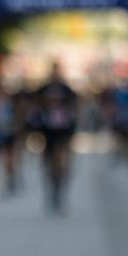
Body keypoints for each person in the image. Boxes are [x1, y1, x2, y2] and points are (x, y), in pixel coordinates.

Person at [31, 62, 79, 213]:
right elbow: (35, 107)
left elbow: (76, 107)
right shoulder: (43, 89)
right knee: (50, 163)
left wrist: (73, 124)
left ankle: (60, 189)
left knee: (62, 161)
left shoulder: (67, 89)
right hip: (48, 132)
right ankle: (52, 189)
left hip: (63, 132)